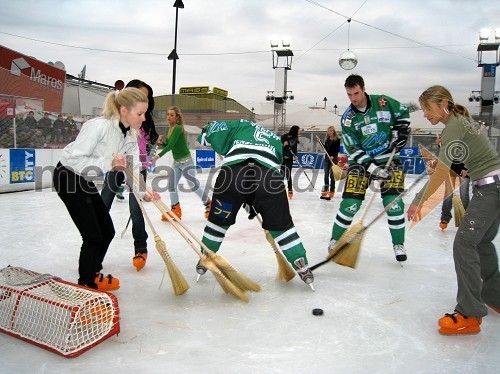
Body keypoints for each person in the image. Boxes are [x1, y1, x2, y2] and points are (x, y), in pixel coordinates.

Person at [407, 85, 500, 335]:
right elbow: (465, 161)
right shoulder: (461, 121)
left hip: (490, 190)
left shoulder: (454, 127)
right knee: (482, 243)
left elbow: (442, 172)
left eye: (427, 108)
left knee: (464, 244)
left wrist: (419, 200)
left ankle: (469, 314)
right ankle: (495, 296)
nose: (425, 114)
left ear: (442, 104)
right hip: (494, 185)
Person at [53, 87, 157, 291]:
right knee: (93, 235)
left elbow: (134, 166)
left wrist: (145, 191)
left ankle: (92, 271)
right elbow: (75, 160)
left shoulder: (130, 134)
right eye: (140, 113)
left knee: (107, 231)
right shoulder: (98, 126)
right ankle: (87, 285)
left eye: (145, 113)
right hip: (68, 176)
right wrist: (109, 163)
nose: (144, 118)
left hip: (84, 179)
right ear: (124, 110)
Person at [196, 119, 314, 287]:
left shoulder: (238, 125)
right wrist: (254, 199)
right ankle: (301, 264)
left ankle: (205, 256)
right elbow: (278, 161)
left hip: (232, 174)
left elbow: (207, 135)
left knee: (218, 222)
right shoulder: (274, 139)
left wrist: (206, 131)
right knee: (282, 227)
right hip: (269, 178)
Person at [328, 74, 410, 263]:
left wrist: (401, 131)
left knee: (394, 204)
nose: (353, 98)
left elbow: (403, 113)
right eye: (349, 95)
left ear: (363, 88)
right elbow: (352, 150)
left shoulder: (383, 102)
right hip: (362, 162)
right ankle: (335, 240)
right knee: (350, 205)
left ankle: (399, 244)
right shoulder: (348, 119)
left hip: (389, 157)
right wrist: (373, 168)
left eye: (356, 93)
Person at [100, 79, 159, 271]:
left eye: (147, 97)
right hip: (117, 163)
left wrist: (147, 154)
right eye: (140, 95)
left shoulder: (144, 118)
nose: (144, 99)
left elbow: (150, 141)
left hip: (137, 165)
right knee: (103, 206)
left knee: (136, 208)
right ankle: (95, 250)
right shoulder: (117, 116)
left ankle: (140, 248)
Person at [150, 106, 210, 220]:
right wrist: (161, 141)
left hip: (187, 162)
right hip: (177, 163)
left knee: (193, 185)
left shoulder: (178, 128)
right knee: (171, 186)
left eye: (171, 115)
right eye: (167, 114)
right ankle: (175, 210)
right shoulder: (169, 130)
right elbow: (168, 145)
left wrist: (157, 156)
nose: (168, 117)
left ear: (177, 117)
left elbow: (171, 146)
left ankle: (209, 204)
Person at [434, 134, 470, 230]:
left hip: (464, 170)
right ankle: (445, 218)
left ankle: (466, 218)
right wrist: (439, 144)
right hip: (451, 169)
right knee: (448, 195)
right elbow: (444, 151)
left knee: (464, 194)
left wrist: (467, 168)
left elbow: (472, 153)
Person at [319, 126, 341, 200]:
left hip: (333, 158)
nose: (329, 132)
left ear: (333, 132)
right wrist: (320, 142)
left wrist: (333, 156)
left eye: (331, 131)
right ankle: (326, 189)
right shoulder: (327, 139)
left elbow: (337, 149)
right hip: (327, 158)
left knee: (332, 175)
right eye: (328, 131)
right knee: (326, 174)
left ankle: (332, 190)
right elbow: (325, 148)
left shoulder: (337, 140)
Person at [281, 125, 300, 199]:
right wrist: (283, 145)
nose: (299, 132)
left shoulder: (295, 138)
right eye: (298, 130)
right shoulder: (284, 136)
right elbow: (279, 146)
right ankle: (280, 188)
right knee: (281, 173)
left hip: (290, 158)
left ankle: (290, 189)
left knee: (288, 173)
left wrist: (295, 155)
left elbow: (295, 148)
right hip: (283, 157)